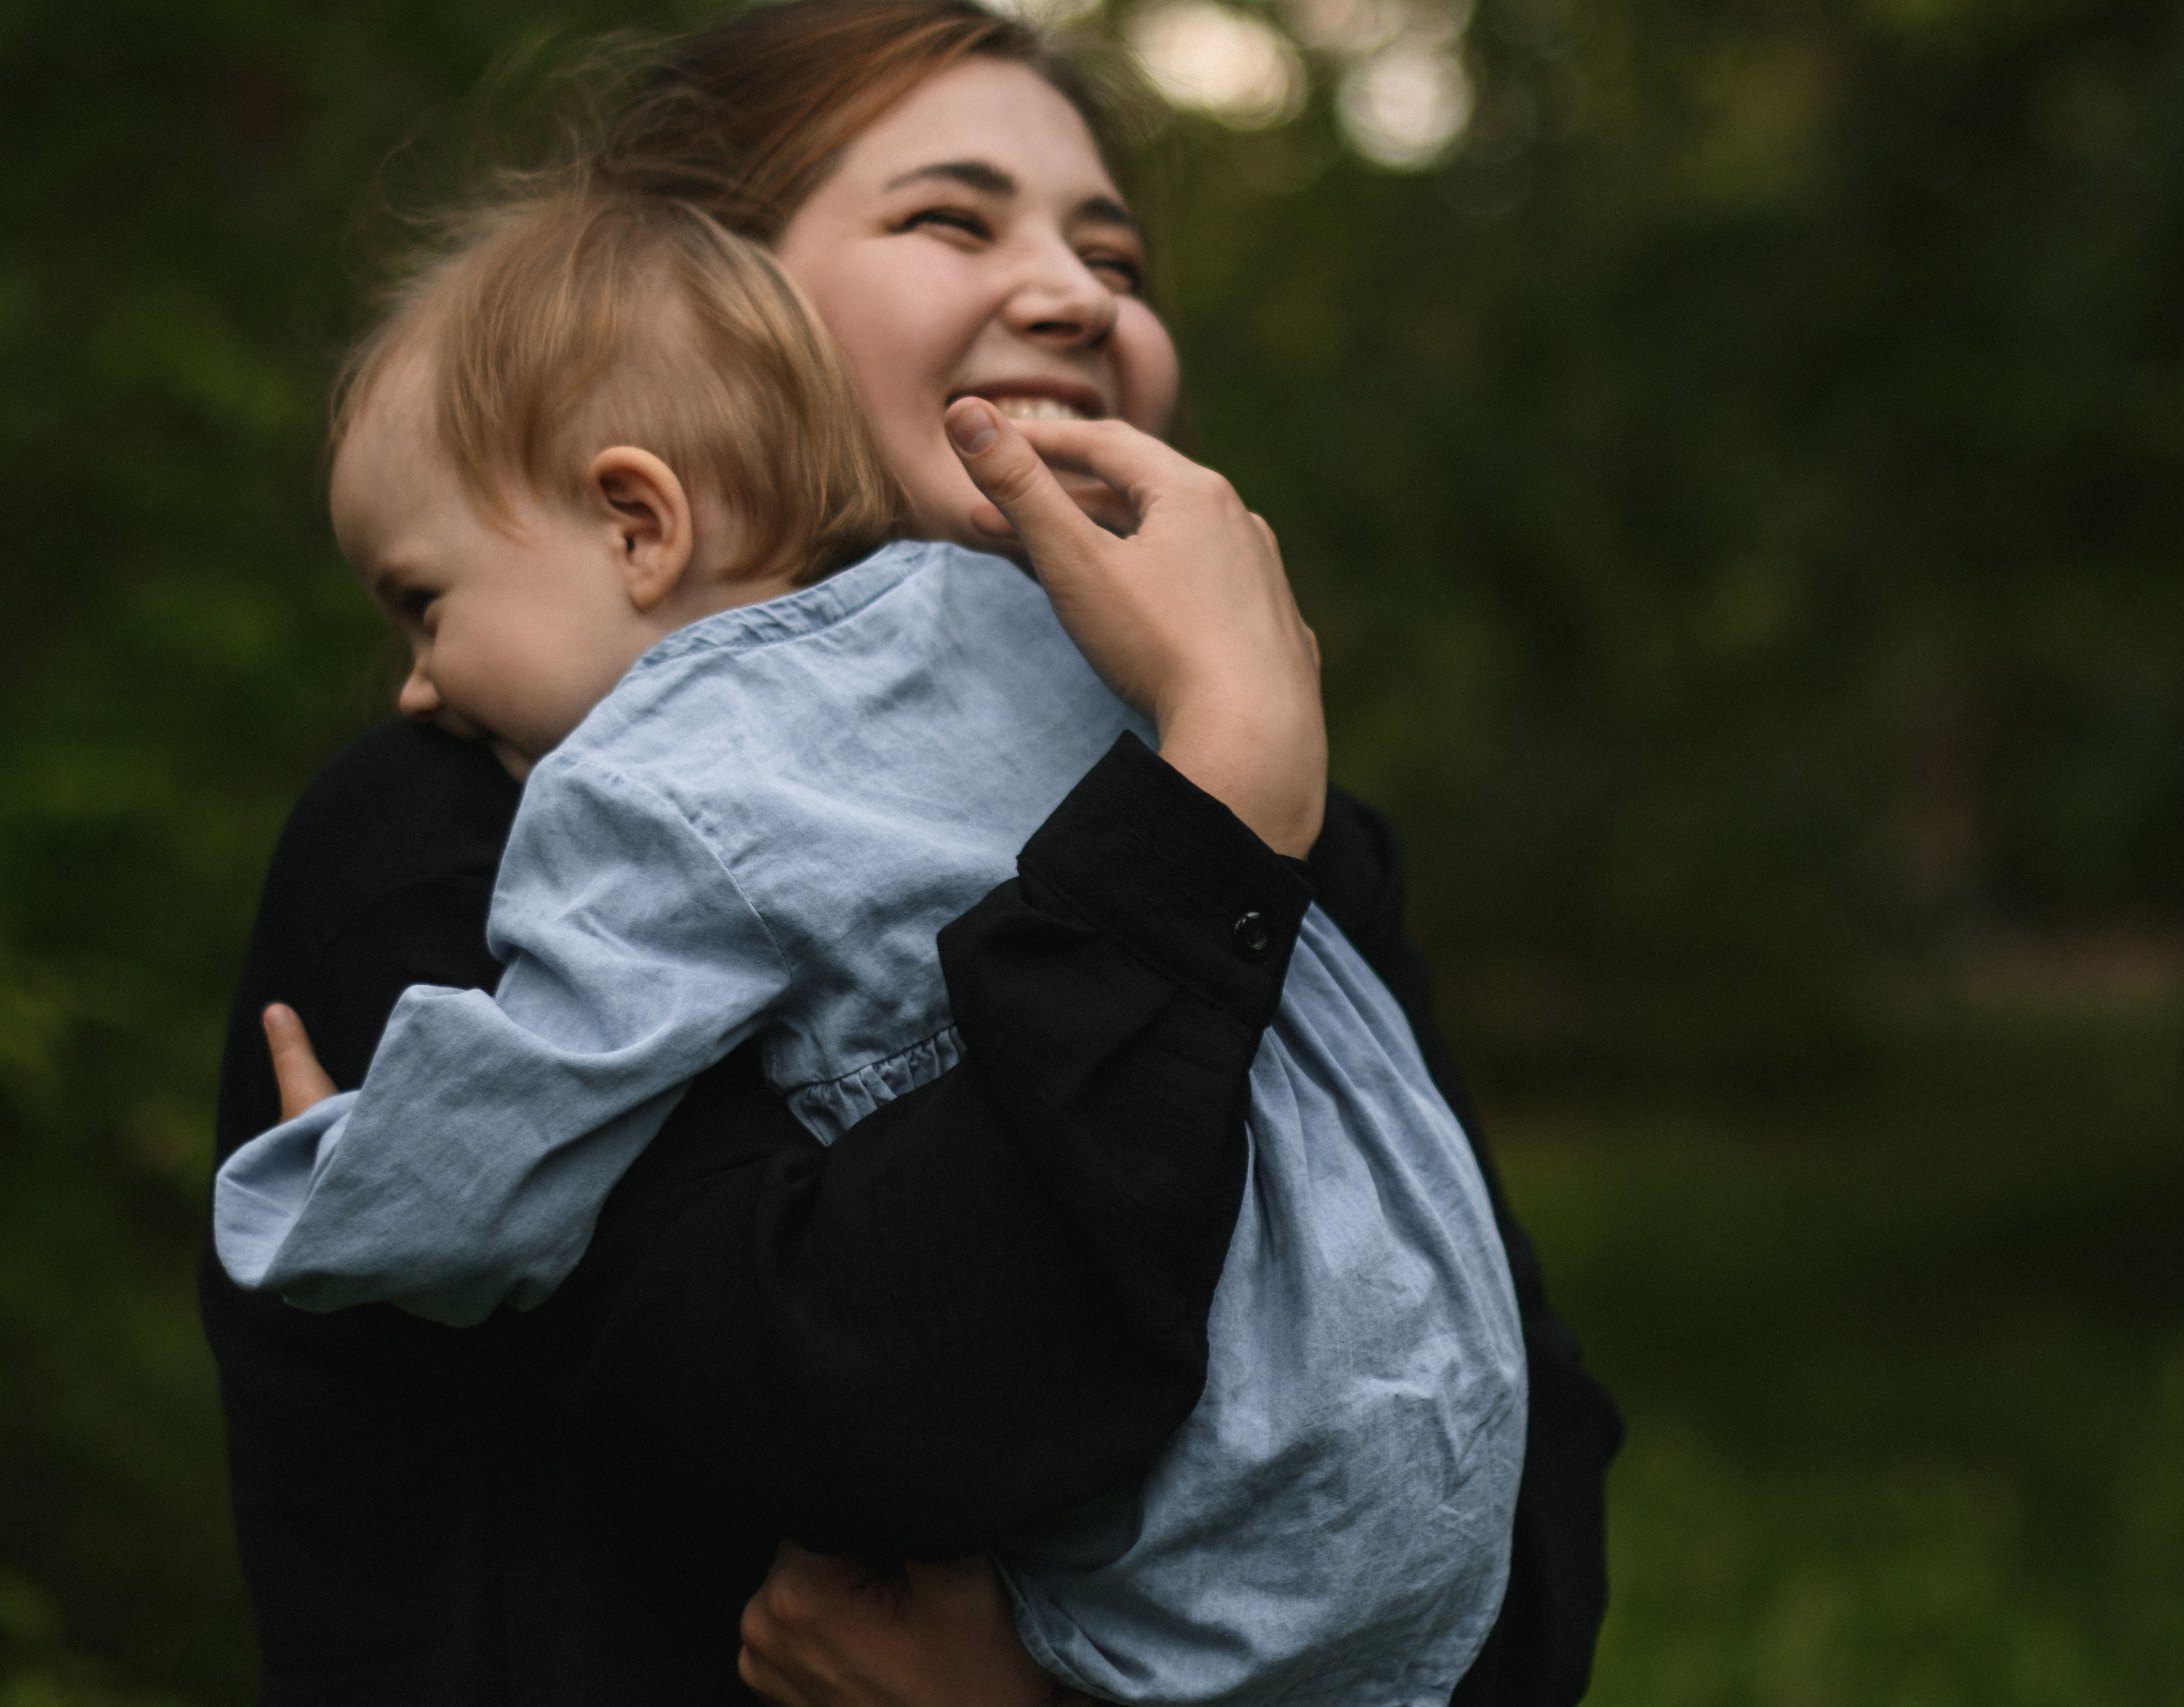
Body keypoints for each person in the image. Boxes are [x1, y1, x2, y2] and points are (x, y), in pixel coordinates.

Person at [200, 3, 1622, 1703]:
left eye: (1115, 253)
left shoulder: (1252, 806)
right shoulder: (469, 823)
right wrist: (1210, 813)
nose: (1082, 295)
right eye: (954, 220)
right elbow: (889, 1408)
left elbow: (1523, 1490)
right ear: (699, 297)